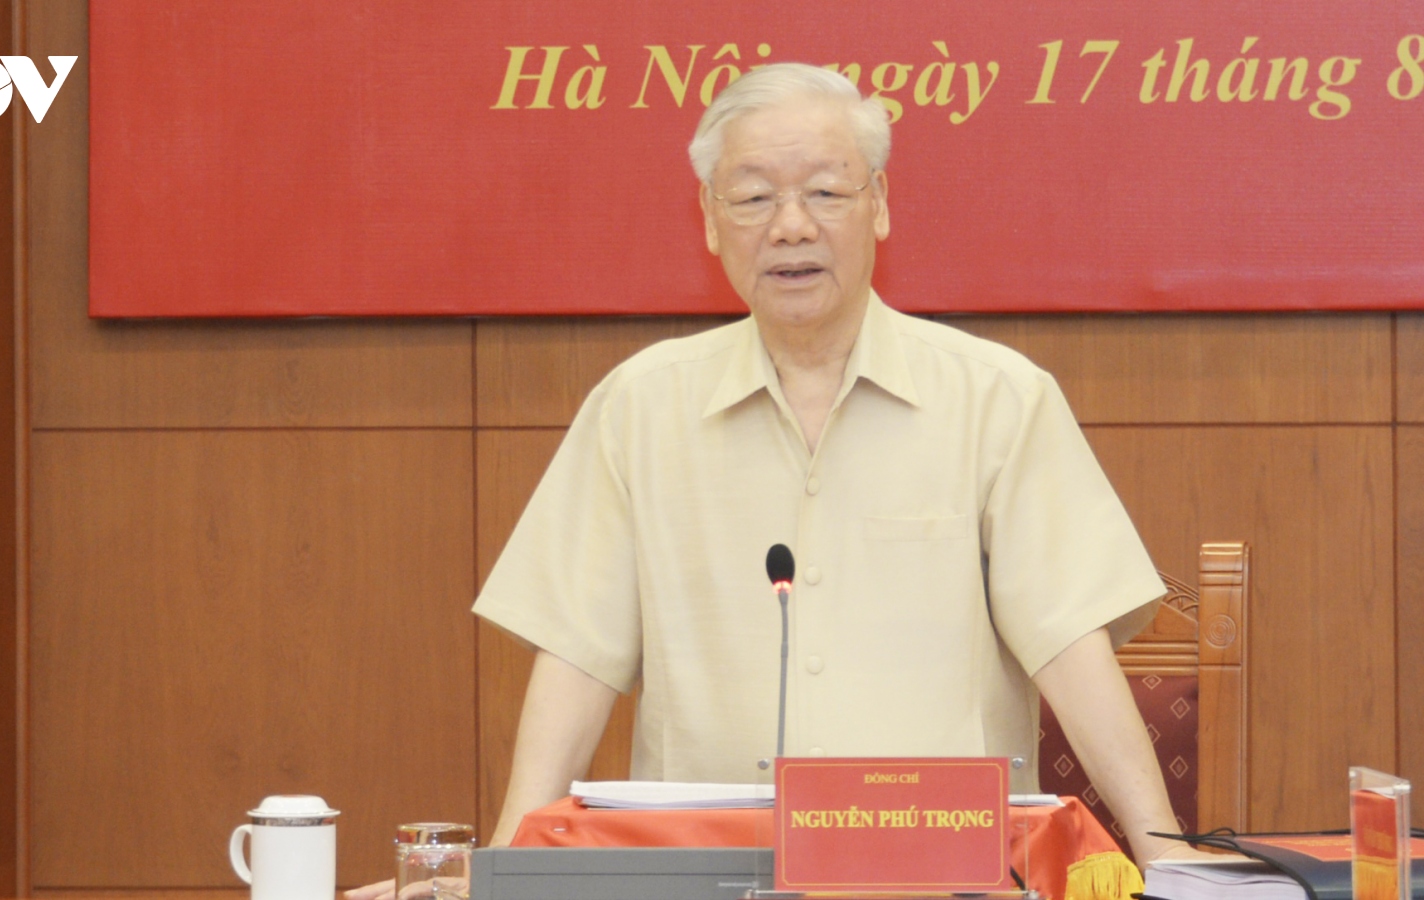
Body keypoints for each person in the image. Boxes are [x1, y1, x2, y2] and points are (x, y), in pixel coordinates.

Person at [350, 62, 1196, 900]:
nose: (791, 226)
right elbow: (577, 658)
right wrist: (503, 872)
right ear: (710, 222)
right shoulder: (640, 406)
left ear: (879, 204)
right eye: (753, 198)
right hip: (703, 877)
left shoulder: (997, 399)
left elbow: (1069, 646)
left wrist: (1169, 863)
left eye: (825, 192)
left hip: (941, 873)